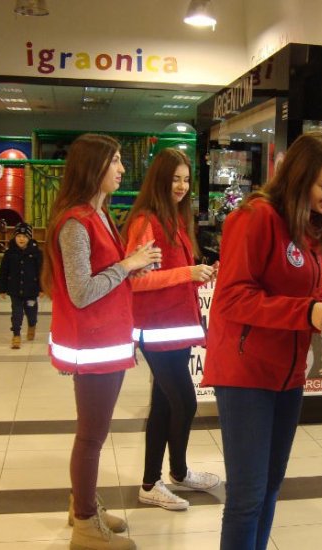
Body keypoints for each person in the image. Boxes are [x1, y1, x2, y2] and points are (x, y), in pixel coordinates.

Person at [201, 132, 322, 550]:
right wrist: (307, 313)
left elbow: (300, 297)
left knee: (271, 486)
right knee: (247, 496)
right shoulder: (256, 217)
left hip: (289, 374)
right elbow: (233, 297)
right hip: (246, 372)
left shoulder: (313, 228)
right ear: (299, 176)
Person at [41, 133, 162, 550]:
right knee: (91, 437)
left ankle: (83, 504)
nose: (122, 169)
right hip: (91, 346)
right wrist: (127, 265)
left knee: (93, 434)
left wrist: (132, 269)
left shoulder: (100, 215)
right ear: (93, 167)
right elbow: (81, 291)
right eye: (114, 161)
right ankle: (86, 524)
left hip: (106, 341)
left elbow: (104, 276)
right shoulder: (75, 222)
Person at [121, 148, 220, 511]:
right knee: (184, 402)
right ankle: (169, 474)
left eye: (185, 179)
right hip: (157, 329)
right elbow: (136, 280)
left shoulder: (176, 220)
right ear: (159, 179)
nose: (181, 186)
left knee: (165, 404)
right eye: (174, 178)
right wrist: (188, 274)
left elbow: (172, 277)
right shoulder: (147, 221)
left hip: (176, 327)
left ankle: (163, 478)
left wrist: (200, 276)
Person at [0, 221, 43, 349]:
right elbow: (3, 272)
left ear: (29, 238)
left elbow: (41, 272)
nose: (21, 239)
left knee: (31, 312)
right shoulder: (9, 253)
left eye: (24, 236)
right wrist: (2, 288)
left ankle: (32, 325)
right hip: (15, 290)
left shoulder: (36, 253)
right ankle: (16, 335)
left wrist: (42, 288)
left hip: (31, 291)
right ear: (14, 237)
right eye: (18, 236)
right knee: (17, 313)